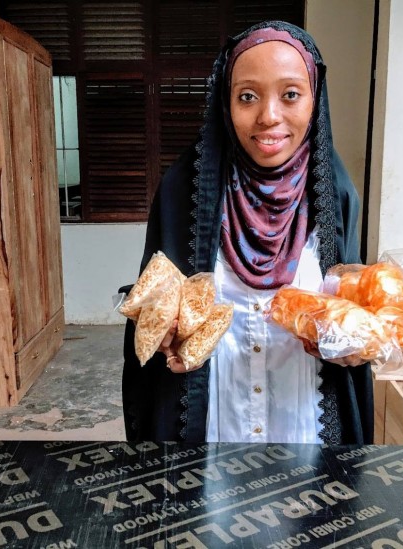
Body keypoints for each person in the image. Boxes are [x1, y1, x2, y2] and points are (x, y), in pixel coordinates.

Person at [121, 20, 372, 445]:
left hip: (302, 423)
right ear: (225, 102)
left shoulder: (335, 195)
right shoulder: (184, 190)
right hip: (215, 421)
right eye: (247, 96)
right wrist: (163, 332)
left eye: (290, 94)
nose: (268, 116)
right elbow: (152, 300)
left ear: (315, 101)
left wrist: (355, 342)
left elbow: (348, 310)